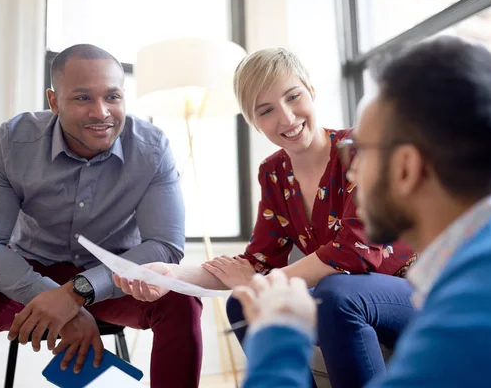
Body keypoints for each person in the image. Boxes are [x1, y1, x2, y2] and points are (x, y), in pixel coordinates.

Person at [233, 36, 491, 387]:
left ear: (406, 166)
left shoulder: (485, 302)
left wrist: (278, 340)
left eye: (359, 151)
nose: (349, 171)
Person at [115, 48, 417, 387]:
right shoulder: (273, 172)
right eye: (266, 110)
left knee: (335, 294)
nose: (286, 118)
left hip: (413, 290)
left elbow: (355, 252)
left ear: (311, 91)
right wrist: (169, 274)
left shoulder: (358, 148)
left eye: (293, 97)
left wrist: (262, 284)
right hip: (344, 291)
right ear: (253, 121)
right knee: (241, 305)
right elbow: (257, 261)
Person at [0, 44, 202, 388]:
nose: (102, 112)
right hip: (30, 271)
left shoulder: (153, 148)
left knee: (182, 299)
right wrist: (50, 296)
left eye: (112, 97)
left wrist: (75, 294)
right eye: (82, 98)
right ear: (53, 101)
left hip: (116, 279)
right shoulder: (12, 142)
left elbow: (164, 247)